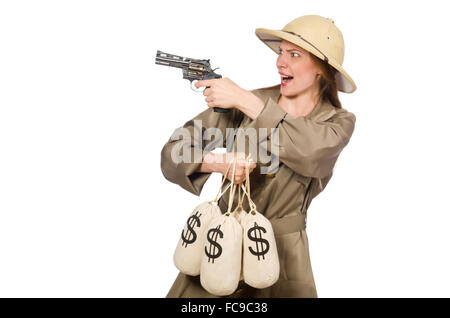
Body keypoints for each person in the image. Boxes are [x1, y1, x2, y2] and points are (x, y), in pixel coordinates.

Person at [161, 15, 357, 298]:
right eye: (280, 52)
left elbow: (311, 152)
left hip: (284, 254)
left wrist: (244, 100)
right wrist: (217, 163)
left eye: (294, 54)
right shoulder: (242, 103)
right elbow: (172, 153)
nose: (281, 62)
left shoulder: (337, 121)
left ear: (321, 69)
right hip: (220, 245)